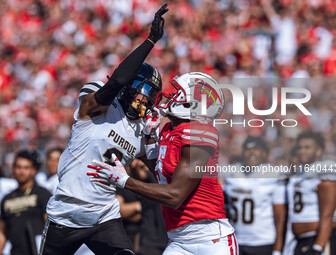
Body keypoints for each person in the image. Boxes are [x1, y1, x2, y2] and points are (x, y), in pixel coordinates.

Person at [39, 4, 168, 255]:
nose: (143, 100)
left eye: (149, 96)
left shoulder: (143, 127)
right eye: (140, 92)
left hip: (103, 217)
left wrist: (153, 140)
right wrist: (151, 40)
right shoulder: (100, 103)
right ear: (129, 88)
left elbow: (158, 175)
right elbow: (117, 81)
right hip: (66, 214)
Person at [87, 72, 238, 255]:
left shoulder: (200, 133)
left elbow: (175, 195)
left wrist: (124, 180)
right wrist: (150, 138)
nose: (170, 96)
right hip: (178, 240)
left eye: (177, 93)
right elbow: (161, 175)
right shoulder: (169, 129)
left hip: (210, 240)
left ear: (191, 104)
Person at [222, 136, 287, 255]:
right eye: (248, 149)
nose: (251, 152)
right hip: (236, 240)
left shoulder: (274, 175)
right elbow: (224, 209)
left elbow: (280, 217)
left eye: (256, 149)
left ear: (265, 154)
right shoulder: (230, 172)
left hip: (263, 242)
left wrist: (278, 248)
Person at [287, 131, 336, 255]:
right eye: (299, 148)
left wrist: (318, 247)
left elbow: (328, 214)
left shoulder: (324, 169)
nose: (302, 151)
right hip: (300, 240)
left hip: (317, 238)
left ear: (319, 150)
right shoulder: (301, 172)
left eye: (307, 147)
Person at [0, 149, 52, 255]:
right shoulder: (7, 198)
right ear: (13, 169)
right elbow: (2, 233)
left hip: (38, 251)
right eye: (18, 167)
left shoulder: (42, 194)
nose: (22, 171)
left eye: (26, 168)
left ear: (33, 170)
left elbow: (50, 227)